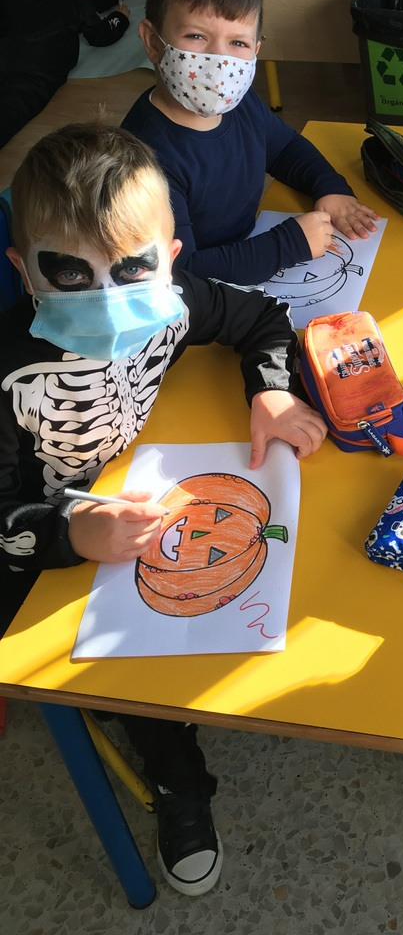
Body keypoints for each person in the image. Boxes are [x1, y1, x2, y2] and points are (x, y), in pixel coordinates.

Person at [0, 121, 328, 893]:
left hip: (138, 501)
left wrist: (271, 392)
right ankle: (176, 772)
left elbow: (261, 318)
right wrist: (68, 534)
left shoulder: (172, 306)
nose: (108, 298)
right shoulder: (9, 373)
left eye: (132, 268)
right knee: (123, 672)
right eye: (68, 273)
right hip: (34, 540)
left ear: (170, 258)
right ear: (22, 270)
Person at [121, 0, 379, 286]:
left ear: (255, 49)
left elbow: (285, 148)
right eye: (196, 36)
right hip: (201, 291)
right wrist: (287, 245)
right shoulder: (142, 162)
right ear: (154, 42)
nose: (219, 60)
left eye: (238, 42)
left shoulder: (240, 104)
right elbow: (182, 270)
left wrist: (328, 187)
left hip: (245, 249)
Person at [0, 0, 130, 148]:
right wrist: (120, 17)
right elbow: (100, 34)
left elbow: (82, 5)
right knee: (11, 112)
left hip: (7, 55)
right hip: (37, 75)